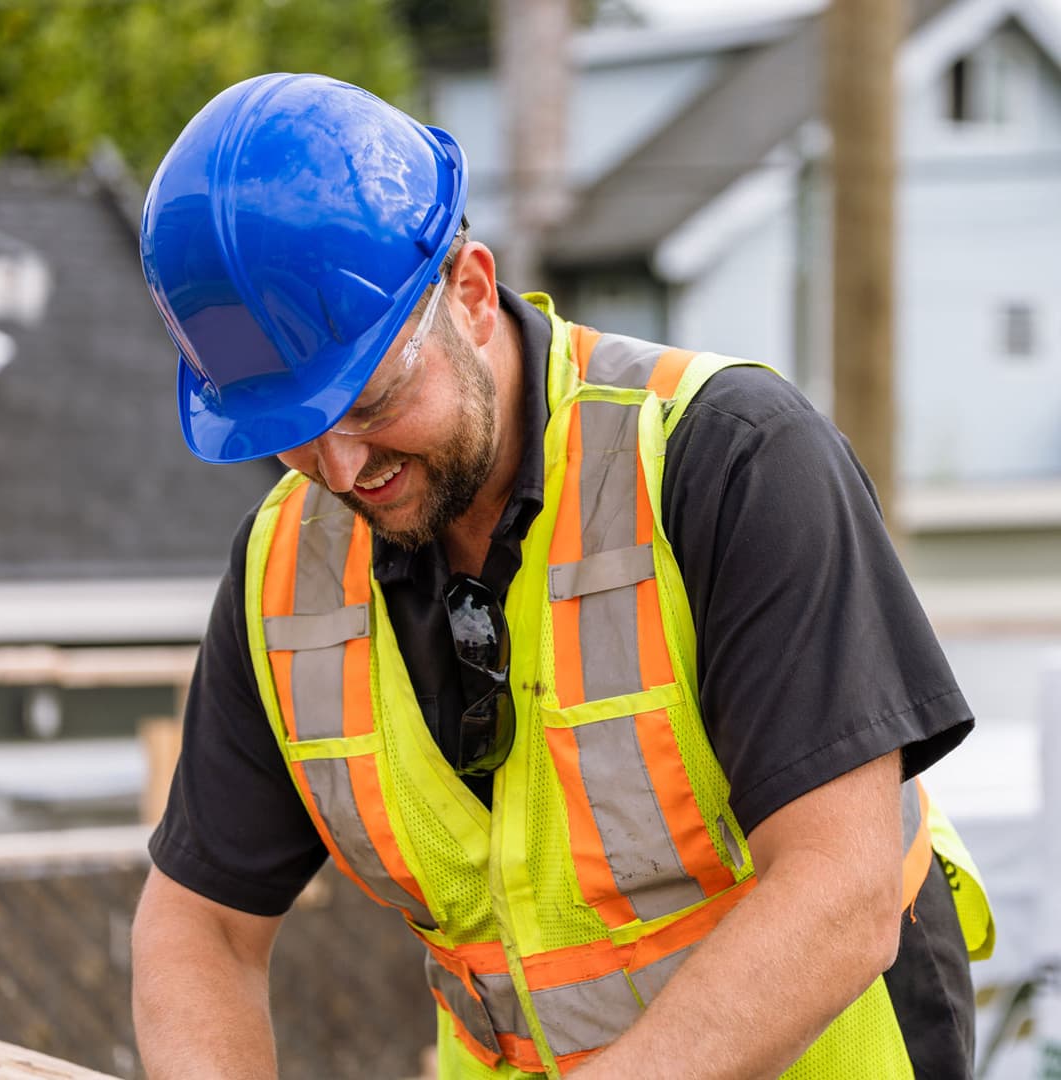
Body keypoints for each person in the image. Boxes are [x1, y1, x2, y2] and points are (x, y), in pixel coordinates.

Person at [132, 72, 994, 1079]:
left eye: (370, 402)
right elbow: (200, 927)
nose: (343, 467)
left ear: (469, 291)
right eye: (294, 431)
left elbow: (840, 890)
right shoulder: (285, 571)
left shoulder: (733, 461)